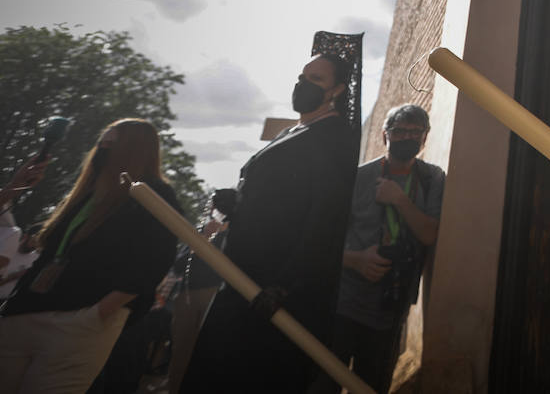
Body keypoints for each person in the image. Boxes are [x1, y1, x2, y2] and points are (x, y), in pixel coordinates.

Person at [182, 52, 358, 393]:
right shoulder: (292, 131)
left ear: (336, 90)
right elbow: (277, 203)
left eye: (316, 79)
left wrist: (286, 285)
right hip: (240, 277)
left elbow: (325, 217)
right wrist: (237, 205)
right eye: (303, 76)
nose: (303, 84)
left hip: (273, 294)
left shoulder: (334, 137)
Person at [0, 119, 180, 393]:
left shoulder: (152, 194)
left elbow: (153, 262)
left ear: (134, 149)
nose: (102, 148)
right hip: (23, 315)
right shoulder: (85, 194)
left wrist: (96, 315)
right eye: (101, 142)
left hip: (79, 323)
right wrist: (16, 186)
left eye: (112, 142)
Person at [315, 104, 444, 393]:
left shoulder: (432, 178)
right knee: (324, 383)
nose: (407, 137)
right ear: (385, 136)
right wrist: (356, 260)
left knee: (372, 386)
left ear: (424, 138)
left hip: (390, 311)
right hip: (342, 306)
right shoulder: (356, 178)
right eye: (399, 132)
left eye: (415, 132)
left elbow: (428, 234)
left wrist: (400, 200)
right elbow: (324, 241)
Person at [166, 188, 236, 394]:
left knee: (207, 353)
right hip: (187, 297)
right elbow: (179, 264)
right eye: (211, 204)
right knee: (181, 352)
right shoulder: (202, 231)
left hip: (215, 296)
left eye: (216, 204)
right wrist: (204, 237)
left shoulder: (237, 234)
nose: (212, 208)